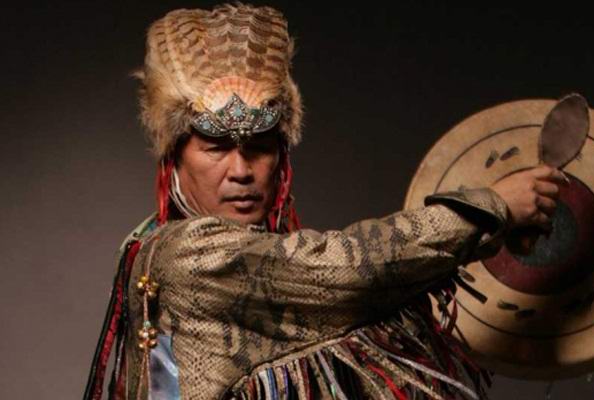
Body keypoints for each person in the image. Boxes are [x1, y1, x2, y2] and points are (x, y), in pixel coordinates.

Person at [83, 4, 563, 400]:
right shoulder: (189, 256)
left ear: (282, 155)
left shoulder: (165, 245)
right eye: (215, 148)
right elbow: (347, 269)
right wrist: (493, 207)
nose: (241, 170)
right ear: (174, 156)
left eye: (260, 147)